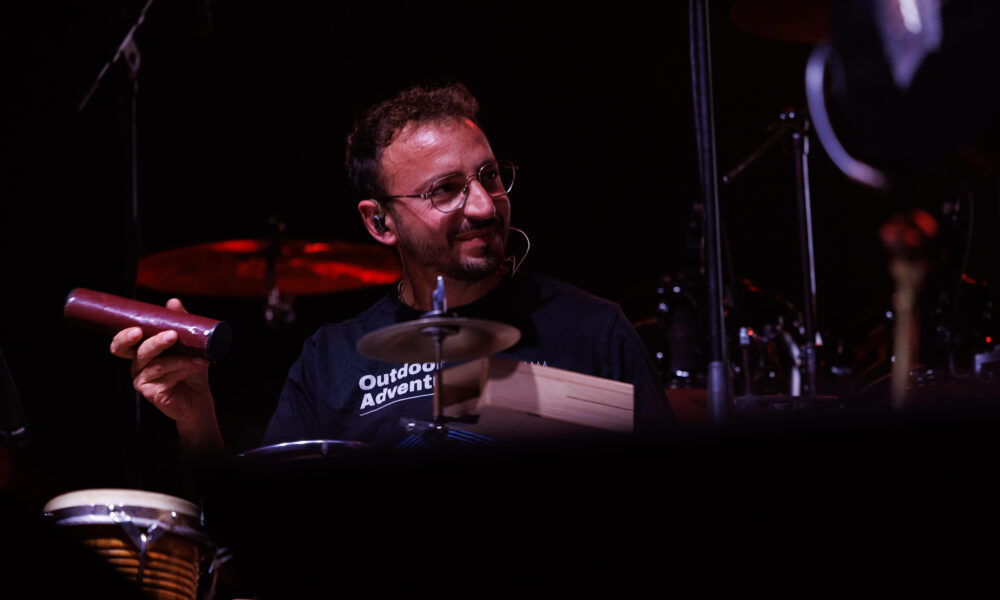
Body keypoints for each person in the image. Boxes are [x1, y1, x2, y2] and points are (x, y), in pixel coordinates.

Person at [110, 81, 675, 457]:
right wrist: (198, 421)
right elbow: (258, 546)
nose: (483, 205)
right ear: (380, 222)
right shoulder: (330, 360)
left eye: (489, 176)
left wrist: (526, 401)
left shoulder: (594, 331)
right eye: (445, 190)